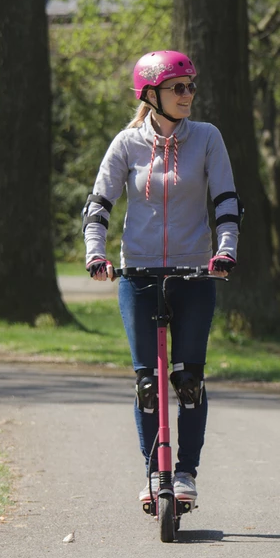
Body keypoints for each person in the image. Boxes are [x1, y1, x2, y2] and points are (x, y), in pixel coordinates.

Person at [82, 50, 242, 505]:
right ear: (151, 95)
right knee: (148, 384)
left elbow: (227, 202)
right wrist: (97, 255)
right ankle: (156, 474)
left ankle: (186, 474)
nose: (188, 95)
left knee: (188, 379)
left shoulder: (208, 138)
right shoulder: (126, 143)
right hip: (140, 273)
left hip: (194, 272)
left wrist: (226, 249)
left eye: (191, 86)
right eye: (179, 88)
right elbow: (97, 206)